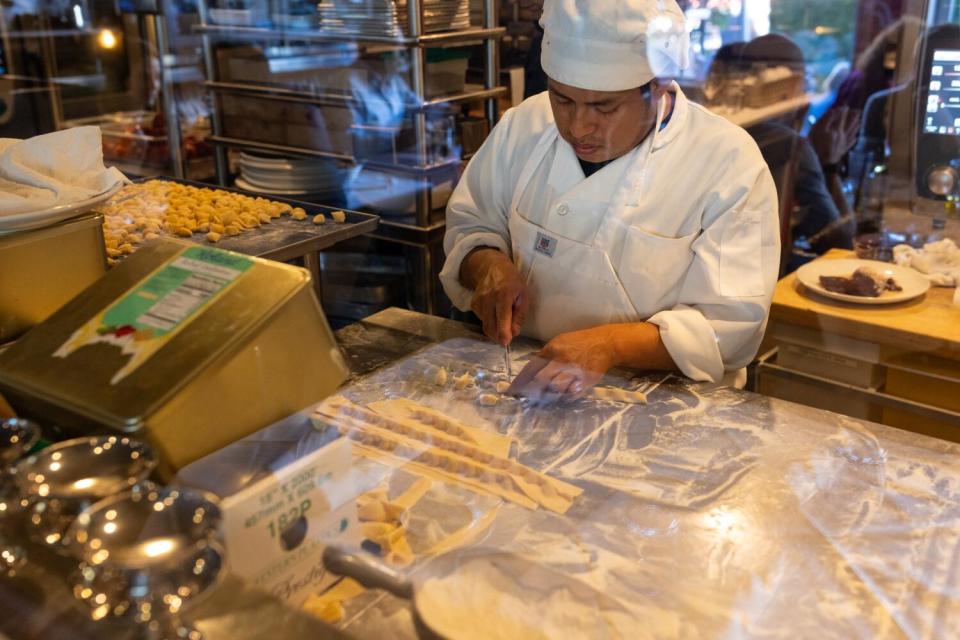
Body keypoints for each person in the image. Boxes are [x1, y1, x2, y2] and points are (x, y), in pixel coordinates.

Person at [439, 0, 780, 401]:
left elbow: (732, 329)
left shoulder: (727, 163)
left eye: (604, 107)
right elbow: (472, 224)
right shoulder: (524, 127)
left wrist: (610, 345)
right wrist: (487, 266)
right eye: (562, 99)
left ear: (659, 86)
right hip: (524, 387)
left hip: (663, 412)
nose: (578, 127)